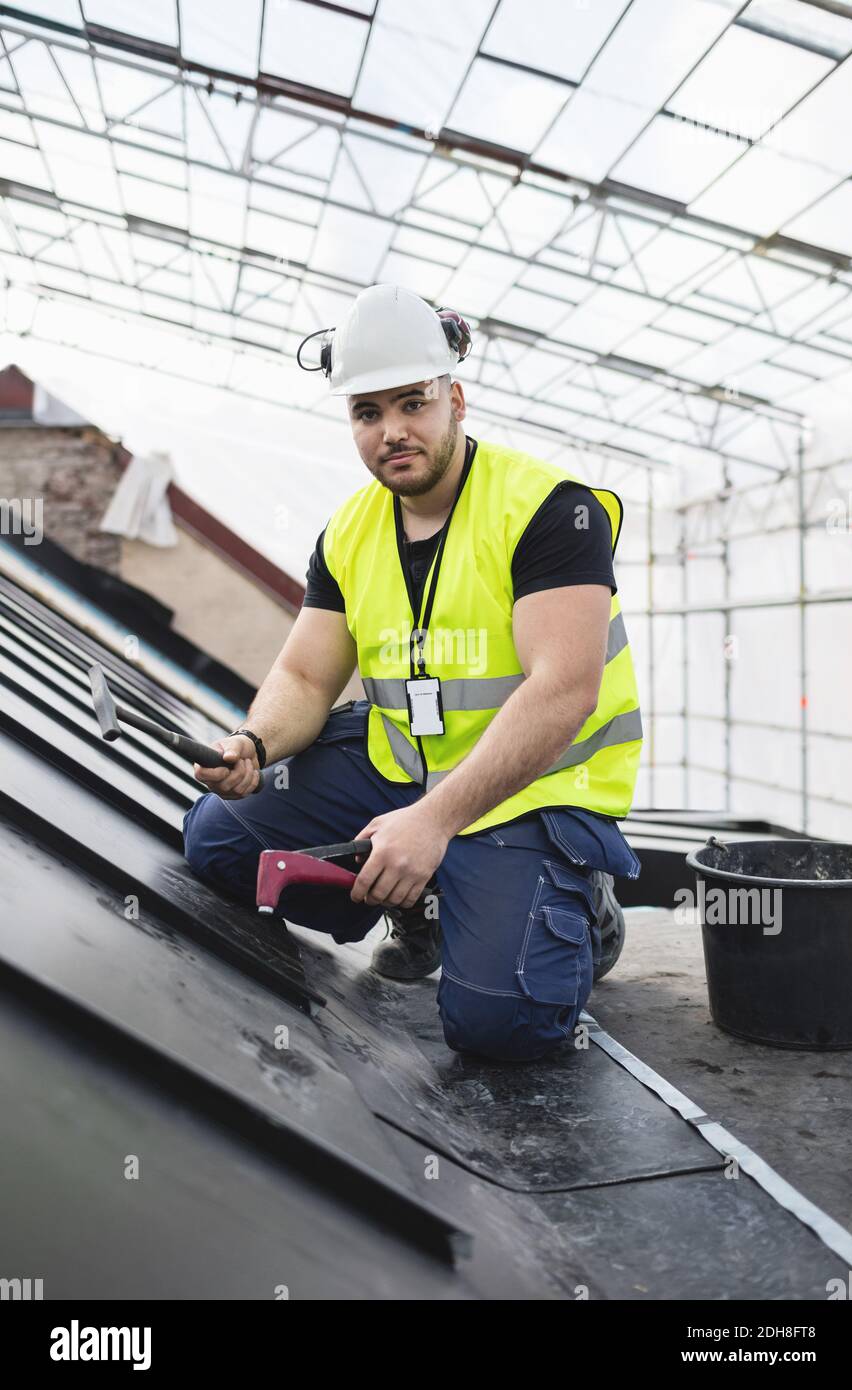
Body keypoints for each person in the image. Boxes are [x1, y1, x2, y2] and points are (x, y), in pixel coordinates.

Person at [182, 283, 643, 1063]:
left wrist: (433, 824)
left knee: (502, 1028)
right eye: (367, 412)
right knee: (219, 846)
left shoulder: (548, 511)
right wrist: (254, 744)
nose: (392, 431)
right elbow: (303, 675)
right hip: (402, 771)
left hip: (526, 794)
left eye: (411, 404)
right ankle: (423, 903)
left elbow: (565, 691)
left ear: (455, 399)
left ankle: (583, 908)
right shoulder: (351, 532)